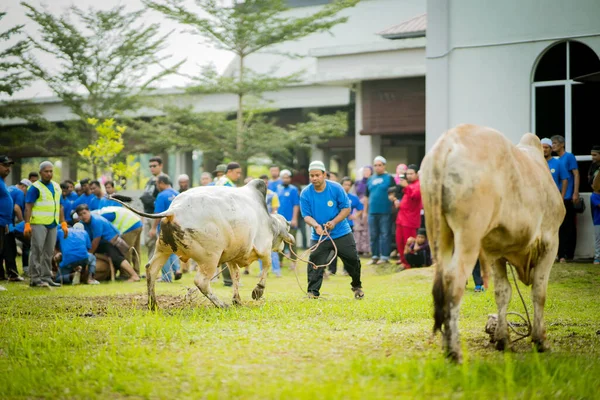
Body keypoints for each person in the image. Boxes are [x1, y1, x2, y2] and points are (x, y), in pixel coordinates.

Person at [300, 160, 364, 299]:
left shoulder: (336, 188)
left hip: (341, 232)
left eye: (317, 175)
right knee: (315, 262)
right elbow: (306, 216)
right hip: (319, 235)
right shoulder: (306, 193)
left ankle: (357, 286)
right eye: (312, 175)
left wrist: (334, 222)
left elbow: (346, 209)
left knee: (353, 260)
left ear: (324, 175)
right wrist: (316, 225)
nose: (314, 178)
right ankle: (312, 292)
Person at [24, 161, 69, 287]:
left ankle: (46, 277)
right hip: (38, 223)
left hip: (53, 223)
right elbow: (28, 207)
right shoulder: (35, 187)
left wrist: (63, 223)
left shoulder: (56, 186)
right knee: (37, 250)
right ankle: (35, 278)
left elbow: (60, 207)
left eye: (51, 171)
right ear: (40, 173)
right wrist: (27, 224)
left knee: (49, 252)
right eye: (46, 171)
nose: (49, 174)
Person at [76, 204, 140, 282]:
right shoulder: (83, 223)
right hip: (103, 243)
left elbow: (96, 240)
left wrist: (89, 254)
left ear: (89, 212)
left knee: (117, 258)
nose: (83, 216)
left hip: (111, 241)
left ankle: (134, 275)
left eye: (84, 213)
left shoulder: (96, 221)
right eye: (80, 215)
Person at [551, 135, 580, 263]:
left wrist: (575, 192)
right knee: (560, 227)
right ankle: (561, 252)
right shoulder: (557, 160)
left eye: (555, 143)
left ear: (562, 144)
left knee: (569, 226)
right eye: (552, 143)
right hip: (558, 197)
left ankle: (569, 253)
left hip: (567, 197)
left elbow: (576, 174)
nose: (553, 145)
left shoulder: (569, 157)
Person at [92, 206, 143, 274]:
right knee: (135, 250)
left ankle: (126, 274)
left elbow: (106, 229)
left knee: (126, 251)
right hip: (138, 223)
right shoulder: (106, 210)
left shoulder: (102, 217)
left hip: (128, 227)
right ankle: (137, 271)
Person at [150, 175, 181, 282]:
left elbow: (158, 214)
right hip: (177, 227)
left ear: (162, 183)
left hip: (164, 227)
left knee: (164, 250)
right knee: (175, 249)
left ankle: (166, 277)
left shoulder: (161, 195)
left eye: (157, 184)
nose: (157, 186)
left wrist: (153, 228)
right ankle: (177, 269)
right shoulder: (177, 194)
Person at [215, 163, 242, 286]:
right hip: (227, 221)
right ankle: (230, 279)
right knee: (229, 250)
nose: (239, 175)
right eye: (237, 173)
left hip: (221, 220)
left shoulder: (222, 182)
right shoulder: (226, 184)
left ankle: (229, 279)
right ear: (229, 171)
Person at [365, 156, 395, 265]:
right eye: (375, 165)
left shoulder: (389, 178)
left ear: (384, 166)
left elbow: (393, 194)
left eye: (380, 165)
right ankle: (375, 256)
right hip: (372, 211)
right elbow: (366, 196)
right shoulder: (370, 179)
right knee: (373, 234)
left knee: (385, 234)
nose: (377, 167)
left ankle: (385, 256)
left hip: (385, 211)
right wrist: (365, 211)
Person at [395, 164, 422, 268]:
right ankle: (403, 261)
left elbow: (415, 196)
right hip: (401, 218)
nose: (409, 176)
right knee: (400, 241)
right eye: (408, 174)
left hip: (410, 220)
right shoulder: (407, 185)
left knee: (409, 242)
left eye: (411, 174)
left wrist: (407, 187)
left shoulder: (418, 185)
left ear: (417, 174)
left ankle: (409, 263)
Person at [0, 156, 21, 282]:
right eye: (5, 165)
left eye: (9, 166)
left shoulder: (2, 181)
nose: (8, 169)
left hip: (3, 222)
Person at [140, 156, 164, 259]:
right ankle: (151, 267)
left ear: (161, 166)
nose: (152, 168)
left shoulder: (163, 180)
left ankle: (157, 270)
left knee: (158, 243)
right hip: (147, 214)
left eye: (154, 166)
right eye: (150, 166)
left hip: (157, 216)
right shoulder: (149, 181)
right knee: (148, 242)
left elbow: (162, 200)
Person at [258, 175, 282, 277]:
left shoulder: (273, 195)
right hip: (258, 224)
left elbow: (275, 210)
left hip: (269, 224)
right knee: (260, 248)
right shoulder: (255, 195)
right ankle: (262, 270)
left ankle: (276, 270)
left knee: (272, 248)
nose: (264, 185)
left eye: (266, 183)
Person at [276, 169, 300, 270]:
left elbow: (296, 205)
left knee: (291, 241)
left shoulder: (293, 189)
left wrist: (294, 218)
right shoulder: (277, 188)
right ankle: (279, 262)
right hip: (278, 220)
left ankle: (293, 262)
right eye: (284, 177)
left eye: (287, 177)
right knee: (279, 241)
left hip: (290, 220)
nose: (286, 179)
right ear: (281, 178)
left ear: (290, 178)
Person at [8, 179, 31, 277]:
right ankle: (12, 273)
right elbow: (16, 208)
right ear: (24, 187)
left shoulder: (9, 188)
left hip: (6, 221)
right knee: (10, 249)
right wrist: (23, 222)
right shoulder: (19, 193)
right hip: (7, 221)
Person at [353, 166, 372, 255]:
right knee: (357, 228)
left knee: (366, 229)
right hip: (358, 207)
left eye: (368, 171)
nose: (366, 172)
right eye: (364, 171)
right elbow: (355, 194)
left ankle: (366, 249)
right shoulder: (358, 182)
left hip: (368, 207)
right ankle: (358, 248)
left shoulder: (371, 182)